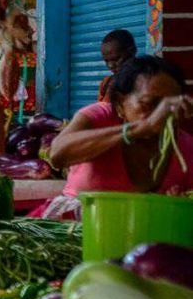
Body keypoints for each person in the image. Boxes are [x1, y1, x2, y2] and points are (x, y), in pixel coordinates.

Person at [44, 56, 193, 218]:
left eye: (170, 106)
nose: (161, 114)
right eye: (148, 103)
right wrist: (139, 128)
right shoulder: (100, 116)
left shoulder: (186, 147)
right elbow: (57, 155)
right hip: (76, 228)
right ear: (120, 103)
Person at [97, 29, 138, 102]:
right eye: (106, 61)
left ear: (132, 51)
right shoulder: (106, 84)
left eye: (116, 59)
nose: (110, 65)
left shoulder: (145, 82)